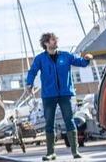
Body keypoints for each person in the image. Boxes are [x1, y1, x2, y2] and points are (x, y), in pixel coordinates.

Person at [25, 32, 93, 160]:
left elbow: (80, 62)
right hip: (48, 95)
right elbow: (32, 71)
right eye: (52, 40)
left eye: (56, 39)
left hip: (65, 94)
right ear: (46, 43)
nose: (55, 41)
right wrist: (29, 84)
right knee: (49, 123)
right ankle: (50, 153)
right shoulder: (40, 58)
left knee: (69, 121)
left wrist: (87, 59)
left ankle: (75, 151)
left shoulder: (66, 56)